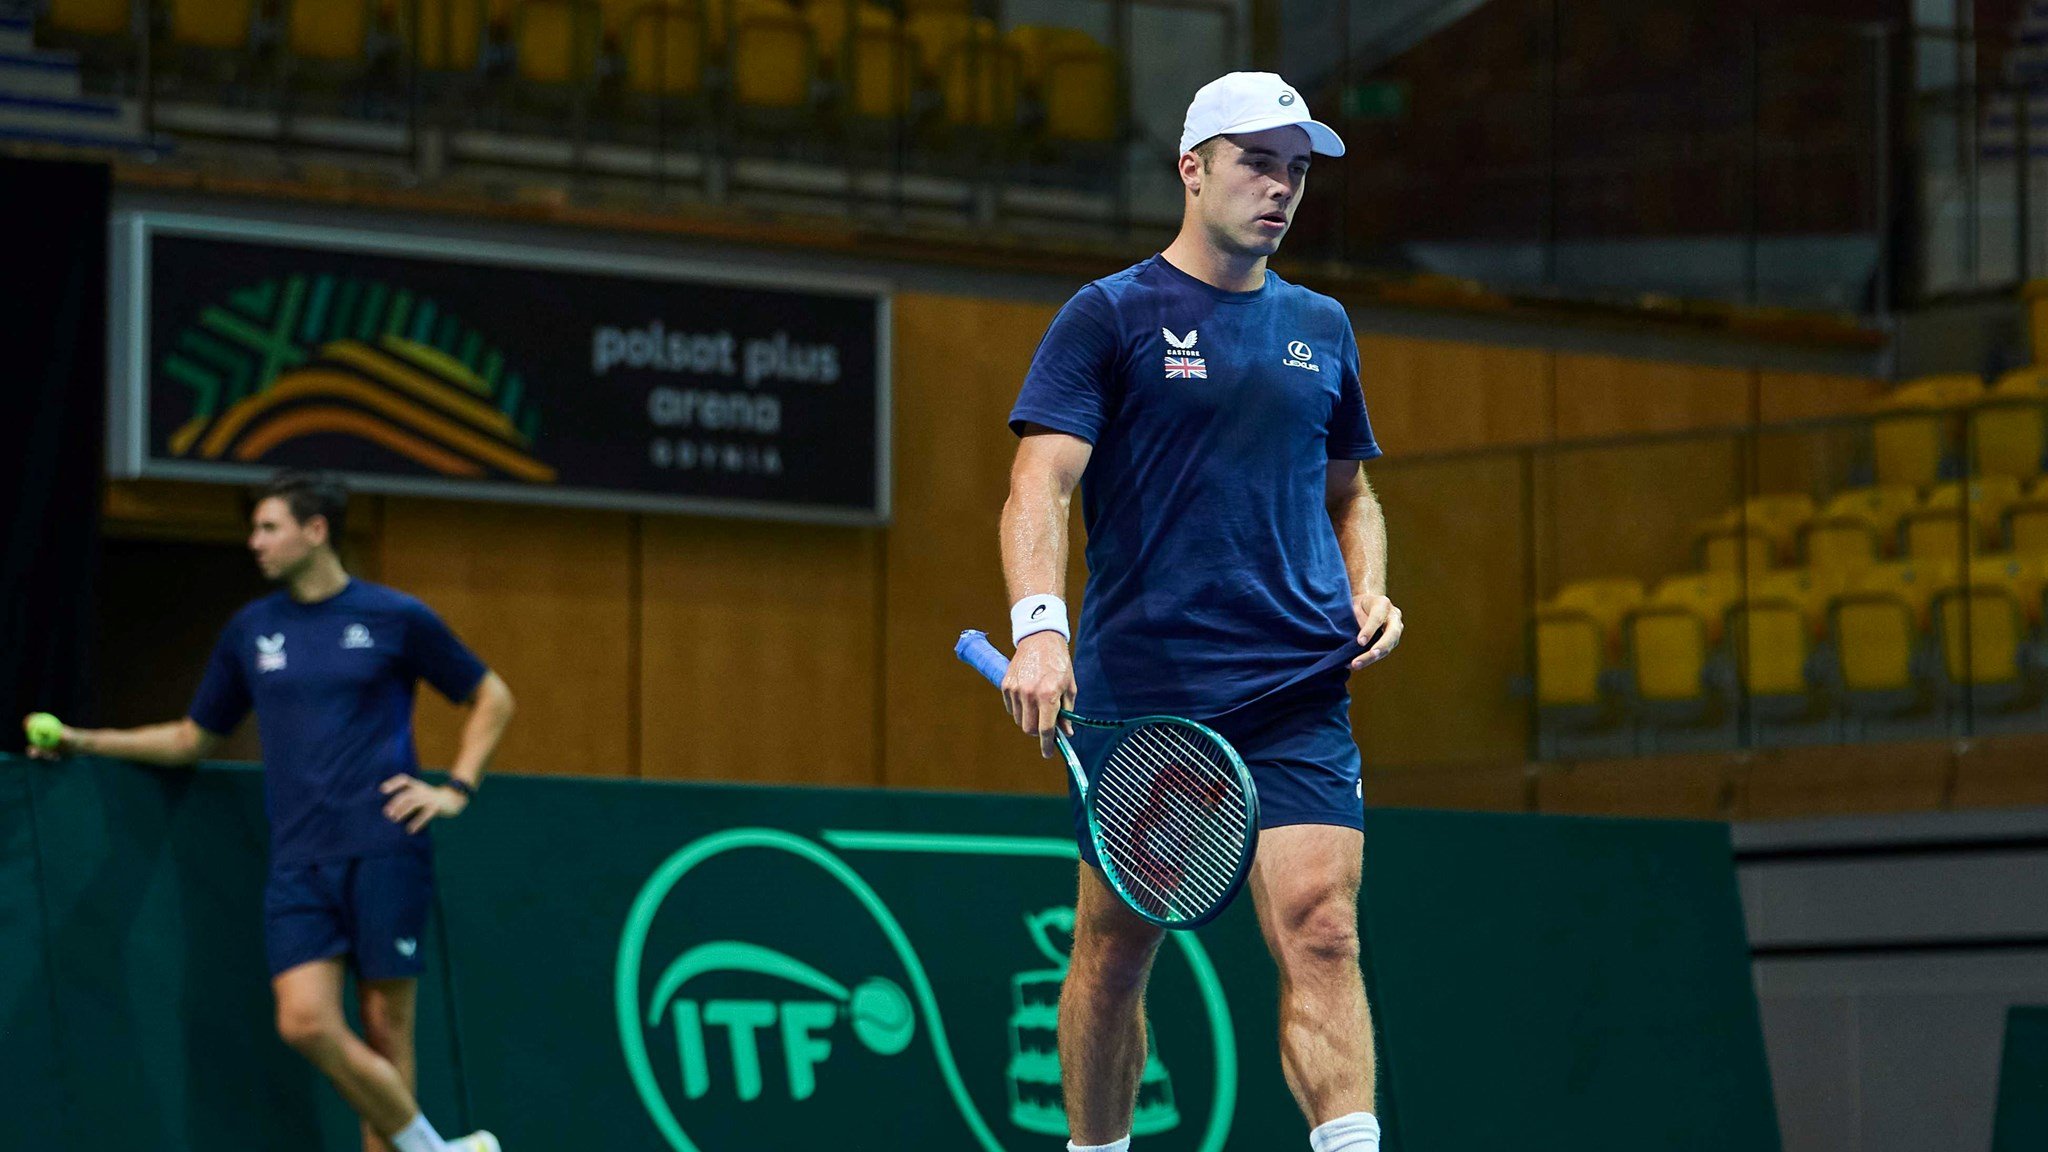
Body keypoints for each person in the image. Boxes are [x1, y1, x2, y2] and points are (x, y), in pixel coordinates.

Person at [996, 72, 1403, 1152]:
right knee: (1113, 950)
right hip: (1151, 692)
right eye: (1258, 162)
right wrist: (1039, 628)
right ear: (1192, 167)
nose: (1281, 188)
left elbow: (1350, 494)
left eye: (1297, 170)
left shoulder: (1321, 326)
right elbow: (1039, 485)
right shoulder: (1109, 314)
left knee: (1323, 928)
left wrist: (1365, 584)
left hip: (1298, 685)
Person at [22, 470, 513, 1152]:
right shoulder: (251, 630)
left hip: (384, 846)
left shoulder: (396, 617)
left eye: (268, 527)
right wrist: (83, 741)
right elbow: (191, 739)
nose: (254, 542)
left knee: (386, 1029)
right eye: (254, 528)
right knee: (304, 1021)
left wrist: (455, 788)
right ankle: (434, 1150)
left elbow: (492, 696)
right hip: (298, 860)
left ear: (316, 531)